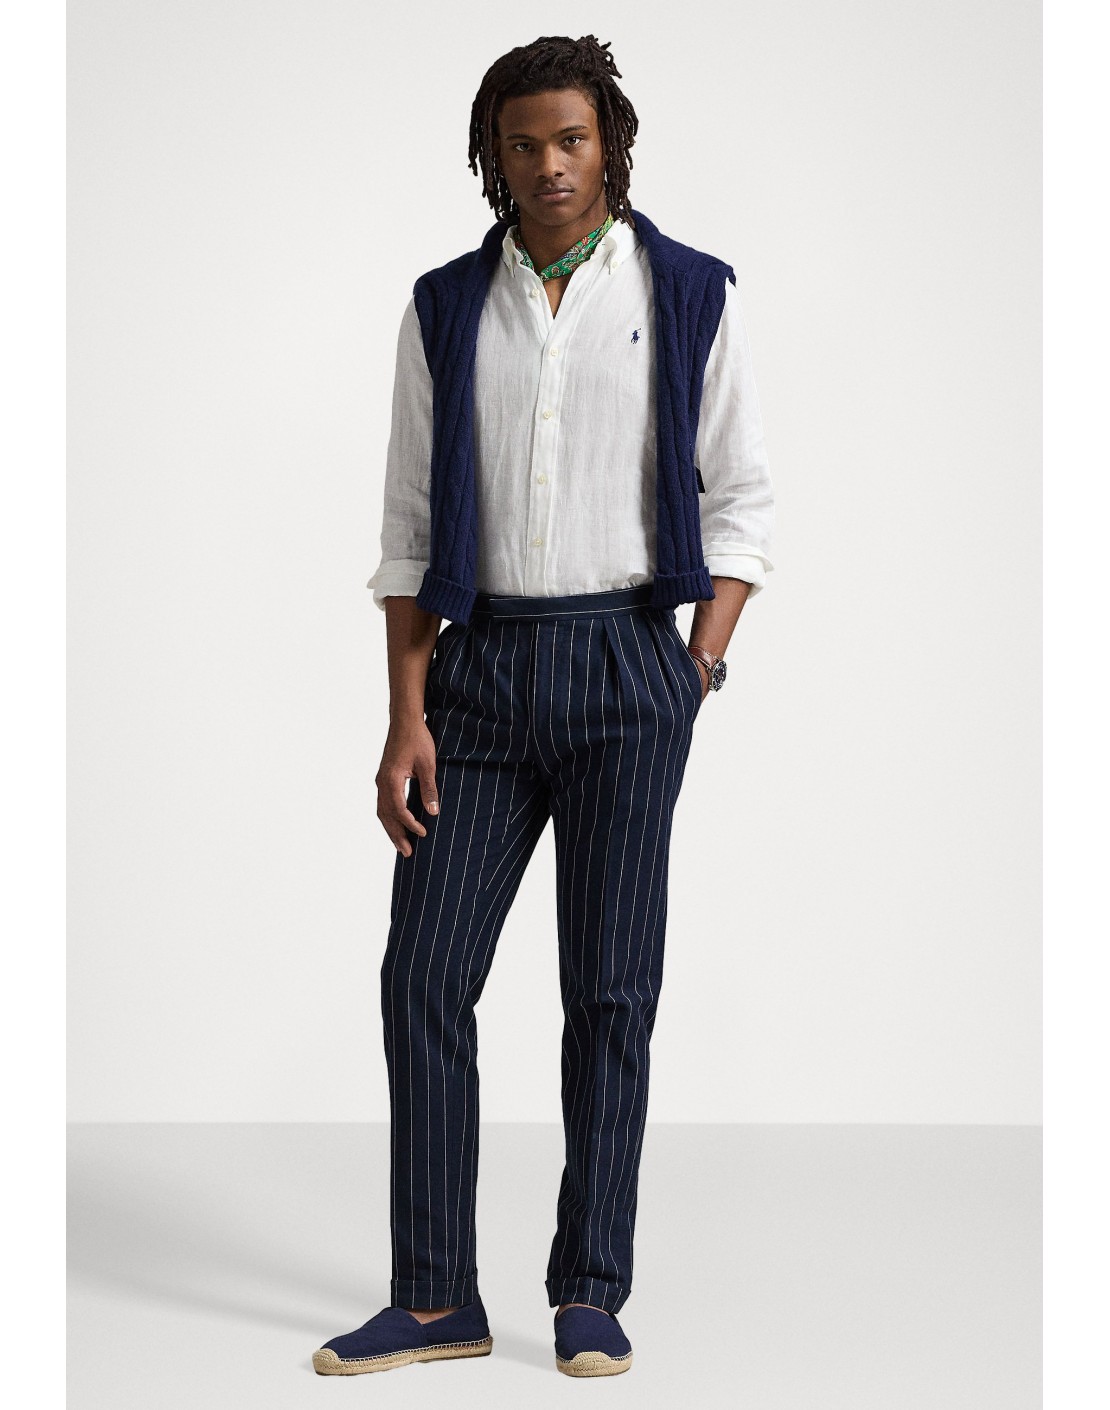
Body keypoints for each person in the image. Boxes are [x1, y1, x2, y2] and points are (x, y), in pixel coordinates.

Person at [313, 32, 775, 1380]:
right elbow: (409, 531)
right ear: (493, 158)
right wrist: (405, 715)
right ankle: (434, 1298)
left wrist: (694, 665)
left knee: (610, 991)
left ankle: (589, 1288)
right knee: (423, 976)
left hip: (629, 664)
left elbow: (743, 499)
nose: (549, 165)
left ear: (608, 142)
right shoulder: (445, 308)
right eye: (522, 145)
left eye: (570, 139)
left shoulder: (688, 293)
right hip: (479, 675)